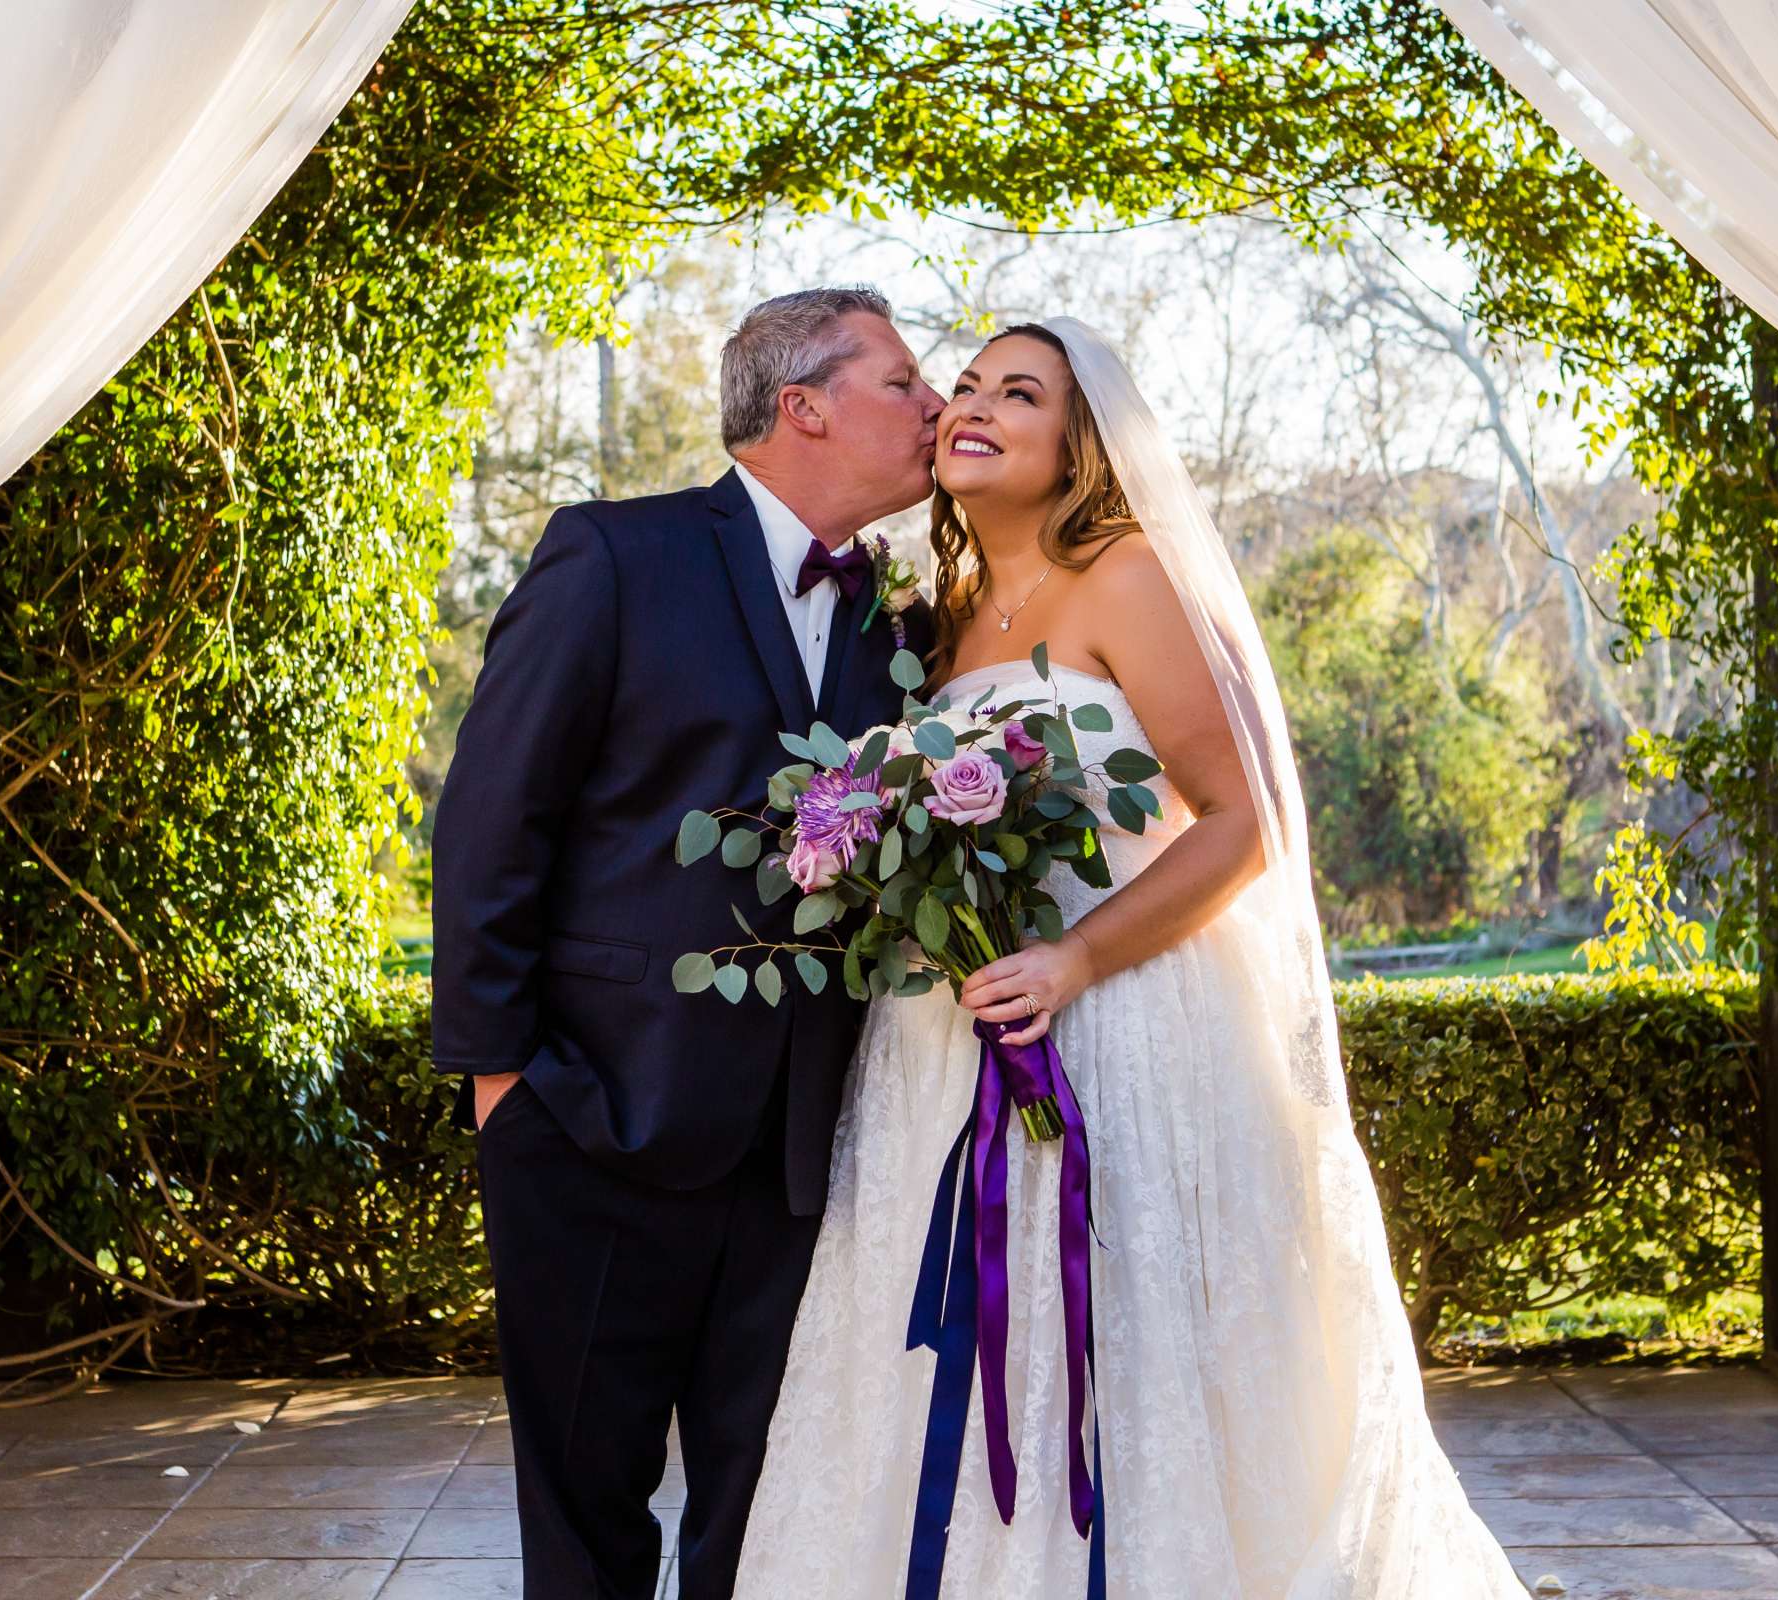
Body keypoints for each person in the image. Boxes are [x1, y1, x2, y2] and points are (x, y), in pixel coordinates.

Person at [734, 318, 1530, 1597]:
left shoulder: (1123, 573)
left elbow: (1247, 822)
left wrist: (1076, 963)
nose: (977, 403)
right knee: (942, 1347)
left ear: (1081, 442)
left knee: (1130, 1350)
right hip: (947, 1043)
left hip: (1121, 1025)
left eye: (1023, 392)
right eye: (969, 384)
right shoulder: (927, 626)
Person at [429, 286, 941, 1599]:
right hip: (588, 1125)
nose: (936, 408)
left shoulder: (912, 626)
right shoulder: (611, 557)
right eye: (905, 381)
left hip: (800, 1159)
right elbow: (493, 821)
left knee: (762, 1523)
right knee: (587, 1523)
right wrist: (507, 1090)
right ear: (803, 405)